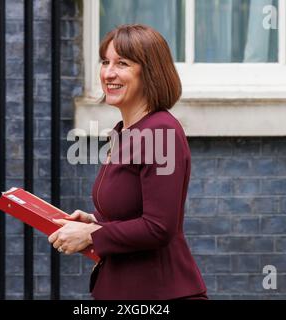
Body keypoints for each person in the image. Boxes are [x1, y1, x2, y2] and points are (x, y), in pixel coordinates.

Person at [48, 24, 208, 300]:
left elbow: (159, 227)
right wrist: (94, 219)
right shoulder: (125, 132)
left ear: (150, 72)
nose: (108, 73)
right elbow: (135, 209)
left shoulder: (161, 132)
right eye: (105, 62)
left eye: (122, 63)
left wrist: (92, 236)